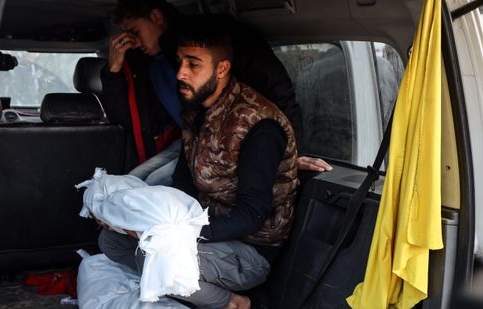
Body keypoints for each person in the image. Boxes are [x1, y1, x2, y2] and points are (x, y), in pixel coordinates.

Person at [98, 17, 299, 309]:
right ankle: (183, 289)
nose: (180, 73)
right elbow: (181, 186)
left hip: (250, 250)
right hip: (207, 229)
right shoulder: (196, 112)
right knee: (111, 240)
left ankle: (230, 303)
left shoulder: (259, 125)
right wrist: (135, 221)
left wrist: (171, 235)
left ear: (221, 69)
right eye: (180, 63)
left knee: (155, 258)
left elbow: (251, 216)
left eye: (193, 65)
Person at [100, 0, 330, 185]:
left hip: (222, 143)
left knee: (150, 185)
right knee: (129, 182)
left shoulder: (210, 41)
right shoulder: (144, 62)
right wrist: (114, 68)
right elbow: (127, 116)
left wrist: (293, 151)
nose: (182, 73)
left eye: (135, 31)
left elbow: (277, 89)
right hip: (187, 140)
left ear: (157, 17)